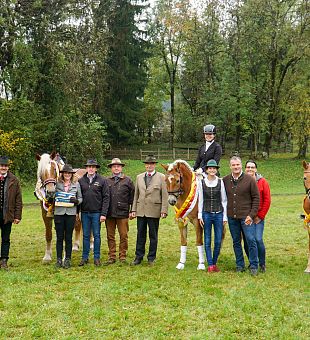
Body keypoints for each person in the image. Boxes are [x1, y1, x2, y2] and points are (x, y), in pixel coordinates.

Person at [222, 156, 260, 275]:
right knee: (236, 241)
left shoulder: (250, 179)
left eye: (237, 164)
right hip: (232, 217)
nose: (236, 167)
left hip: (246, 217)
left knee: (251, 240)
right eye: (233, 165)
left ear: (241, 165)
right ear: (230, 166)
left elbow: (256, 198)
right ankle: (240, 265)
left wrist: (251, 215)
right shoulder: (225, 180)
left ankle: (254, 265)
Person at [131, 155, 168, 266]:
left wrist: (164, 210)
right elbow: (136, 195)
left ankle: (151, 258)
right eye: (147, 164)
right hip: (141, 210)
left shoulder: (162, 177)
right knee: (140, 234)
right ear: (145, 165)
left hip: (154, 210)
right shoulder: (139, 177)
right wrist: (133, 209)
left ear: (155, 165)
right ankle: (138, 257)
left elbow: (165, 195)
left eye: (151, 164)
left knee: (153, 235)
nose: (149, 166)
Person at [78, 159, 109, 266]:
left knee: (96, 235)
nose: (91, 168)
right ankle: (84, 257)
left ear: (96, 168)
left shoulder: (102, 180)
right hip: (85, 212)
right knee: (86, 235)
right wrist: (78, 212)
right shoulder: (81, 181)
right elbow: (78, 197)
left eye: (93, 167)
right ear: (86, 168)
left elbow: (106, 198)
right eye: (89, 167)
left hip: (97, 213)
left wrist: (103, 214)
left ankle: (96, 257)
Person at [198, 159, 227, 273]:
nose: (212, 170)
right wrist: (200, 215)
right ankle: (210, 265)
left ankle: (214, 262)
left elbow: (224, 200)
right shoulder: (201, 182)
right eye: (210, 168)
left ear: (216, 170)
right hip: (206, 214)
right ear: (206, 170)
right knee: (208, 239)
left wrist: (224, 217)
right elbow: (200, 200)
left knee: (218, 240)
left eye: (214, 168)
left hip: (219, 213)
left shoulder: (221, 182)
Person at [105, 158, 135, 265]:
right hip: (109, 213)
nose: (116, 168)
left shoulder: (128, 180)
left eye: (118, 166)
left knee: (123, 235)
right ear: (111, 168)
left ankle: (122, 255)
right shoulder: (106, 180)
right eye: (114, 166)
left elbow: (132, 197)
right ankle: (111, 256)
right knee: (110, 236)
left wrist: (132, 210)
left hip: (123, 213)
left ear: (121, 167)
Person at [244, 160, 271, 272]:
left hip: (258, 217)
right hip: (246, 216)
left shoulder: (262, 182)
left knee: (258, 239)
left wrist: (260, 216)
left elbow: (267, 200)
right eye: (248, 167)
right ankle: (252, 261)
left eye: (252, 167)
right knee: (248, 240)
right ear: (245, 169)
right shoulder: (242, 181)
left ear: (256, 169)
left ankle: (262, 263)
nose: (250, 169)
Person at [54, 164, 82, 269]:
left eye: (69, 173)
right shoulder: (57, 184)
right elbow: (51, 195)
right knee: (59, 237)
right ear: (62, 174)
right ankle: (58, 259)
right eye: (65, 173)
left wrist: (77, 201)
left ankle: (68, 259)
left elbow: (80, 198)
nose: (67, 174)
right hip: (59, 213)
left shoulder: (76, 185)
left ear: (71, 174)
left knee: (69, 237)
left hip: (70, 213)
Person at [0, 156, 22, 270]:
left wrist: (17, 216)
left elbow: (18, 199)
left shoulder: (14, 179)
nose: (3, 167)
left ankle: (4, 261)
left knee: (5, 238)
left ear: (8, 167)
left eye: (5, 166)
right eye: (2, 165)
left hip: (7, 214)